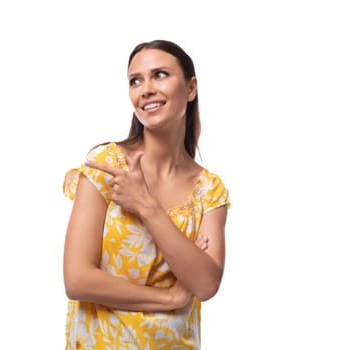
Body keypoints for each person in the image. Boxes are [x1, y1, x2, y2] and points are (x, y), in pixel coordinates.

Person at [62, 39, 230, 349]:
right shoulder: (107, 166)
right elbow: (77, 279)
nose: (146, 89)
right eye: (135, 80)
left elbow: (206, 283)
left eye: (160, 75)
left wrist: (146, 206)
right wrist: (171, 297)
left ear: (191, 88)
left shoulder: (209, 189)